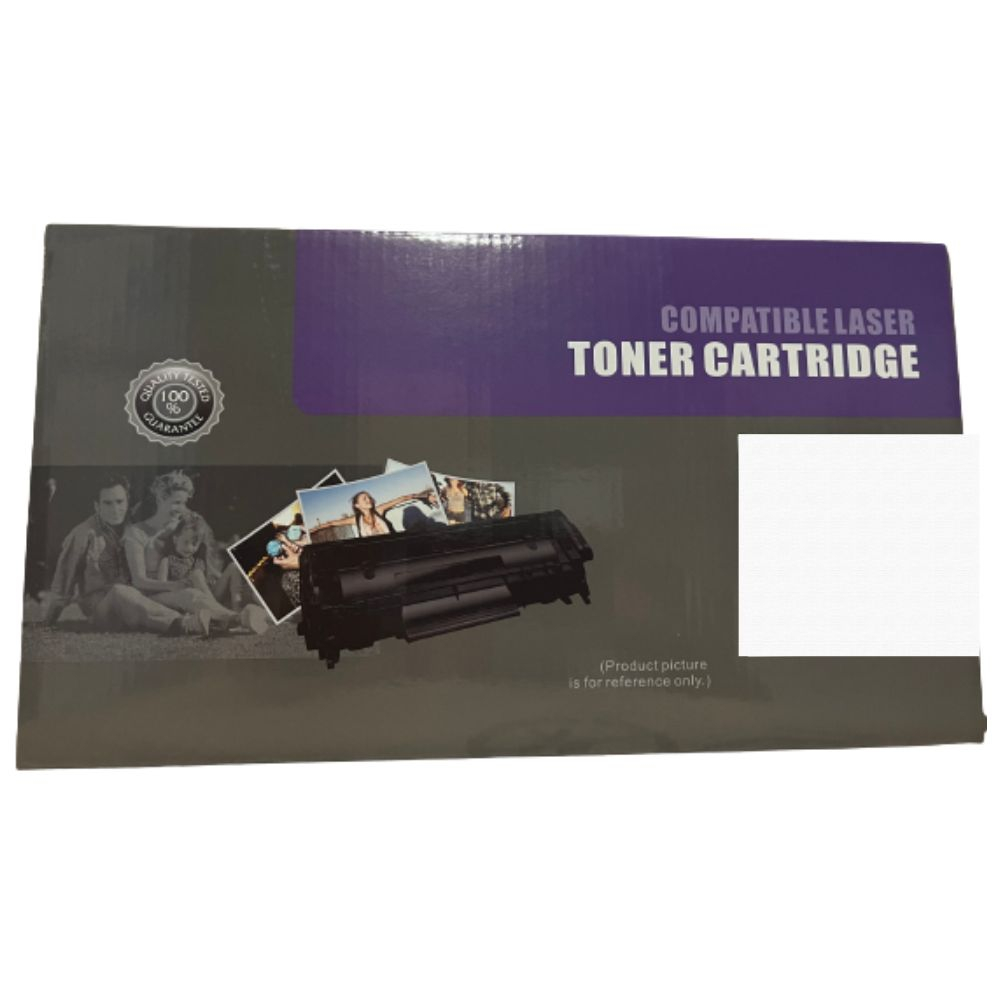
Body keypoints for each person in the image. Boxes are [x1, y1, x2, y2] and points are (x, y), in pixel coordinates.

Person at [41, 474, 210, 635]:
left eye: (119, 502)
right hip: (102, 610)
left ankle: (216, 619)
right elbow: (62, 586)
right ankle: (185, 623)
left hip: (137, 601)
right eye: (107, 503)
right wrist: (48, 623)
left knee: (180, 594)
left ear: (128, 501)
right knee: (119, 591)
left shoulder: (133, 524)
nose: (115, 509)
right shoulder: (82, 534)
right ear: (97, 506)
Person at [124, 470, 267, 633]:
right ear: (160, 498)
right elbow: (139, 581)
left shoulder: (180, 528)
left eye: (184, 503)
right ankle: (238, 619)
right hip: (153, 596)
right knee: (190, 594)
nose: (182, 509)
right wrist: (173, 585)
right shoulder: (136, 532)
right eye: (177, 502)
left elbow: (200, 561)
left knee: (209, 586)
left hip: (184, 589)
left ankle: (252, 614)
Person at [156, 512, 268, 634]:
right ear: (175, 539)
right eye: (185, 542)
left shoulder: (197, 560)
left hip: (210, 594)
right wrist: (179, 585)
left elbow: (211, 576)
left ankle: (236, 608)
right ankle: (225, 614)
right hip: (192, 599)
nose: (189, 548)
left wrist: (222, 579)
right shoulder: (167, 561)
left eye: (194, 544)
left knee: (233, 567)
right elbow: (163, 586)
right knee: (196, 574)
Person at [314, 488, 439, 538]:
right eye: (364, 498)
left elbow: (403, 498)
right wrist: (312, 530)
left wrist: (426, 497)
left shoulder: (379, 510)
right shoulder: (354, 520)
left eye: (369, 497)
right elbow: (331, 523)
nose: (368, 499)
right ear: (357, 505)